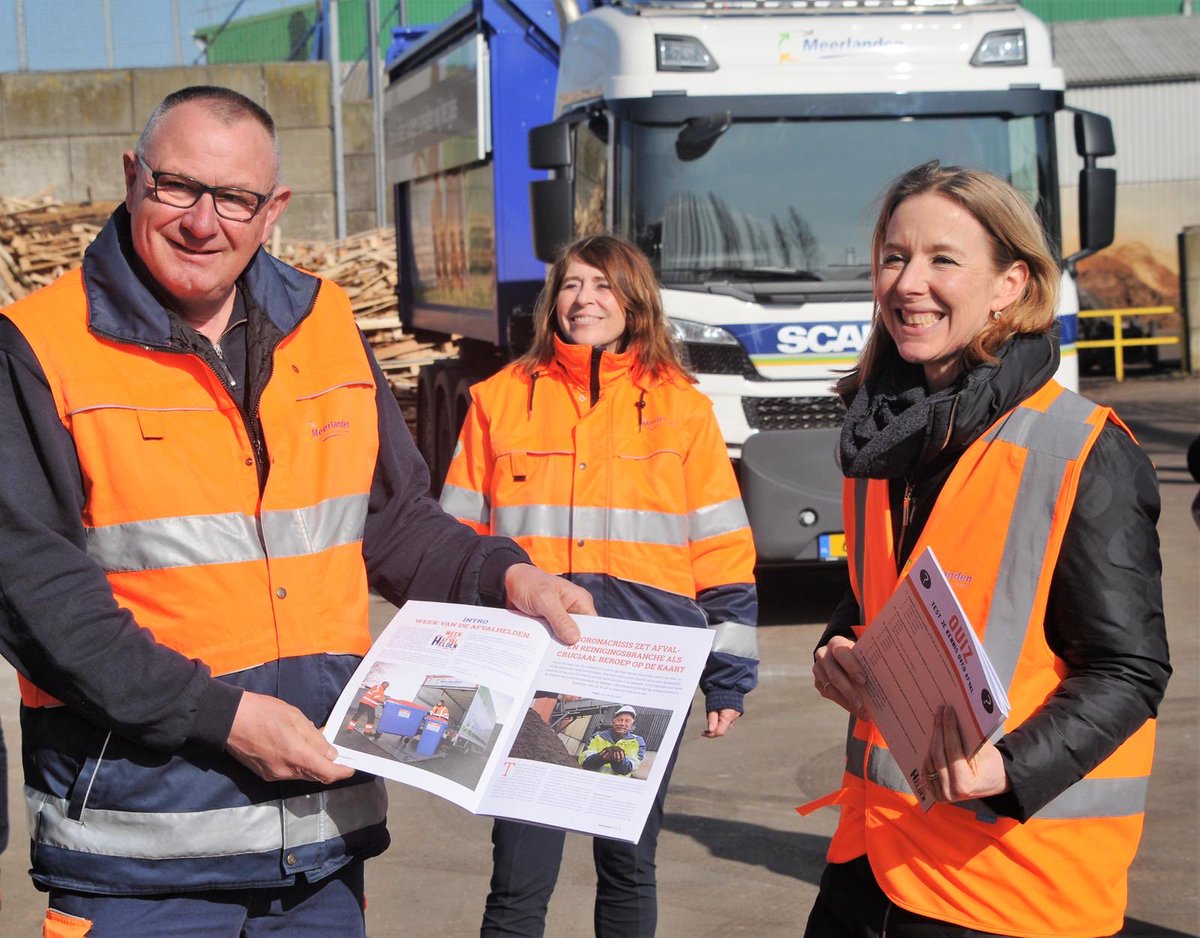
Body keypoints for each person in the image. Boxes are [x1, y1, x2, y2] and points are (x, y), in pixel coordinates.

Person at [0, 85, 594, 937]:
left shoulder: (323, 324)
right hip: (144, 863)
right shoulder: (39, 347)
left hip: (318, 846)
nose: (204, 223)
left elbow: (392, 520)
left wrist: (509, 578)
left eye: (235, 198)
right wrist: (226, 719)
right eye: (178, 187)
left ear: (272, 209)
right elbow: (38, 601)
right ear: (132, 177)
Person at [803, 161, 1171, 937]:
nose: (909, 283)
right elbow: (881, 597)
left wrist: (1007, 768)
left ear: (1011, 284)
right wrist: (839, 645)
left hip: (1005, 884)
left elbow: (1129, 669)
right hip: (873, 861)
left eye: (943, 260)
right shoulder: (883, 434)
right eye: (895, 256)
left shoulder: (1080, 449)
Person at [439, 233, 758, 937]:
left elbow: (723, 548)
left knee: (626, 863)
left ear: (635, 300)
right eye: (573, 285)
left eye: (603, 285)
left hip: (641, 665)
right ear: (554, 301)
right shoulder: (498, 401)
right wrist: (452, 655)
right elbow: (455, 538)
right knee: (519, 877)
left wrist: (728, 675)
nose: (585, 300)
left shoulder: (684, 409)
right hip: (534, 663)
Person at [578, 706, 645, 776]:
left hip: (615, 784)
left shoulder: (637, 741)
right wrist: (599, 758)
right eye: (619, 720)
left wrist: (620, 762)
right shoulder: (597, 736)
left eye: (627, 721)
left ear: (631, 724)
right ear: (613, 721)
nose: (622, 724)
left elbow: (632, 767)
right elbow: (584, 762)